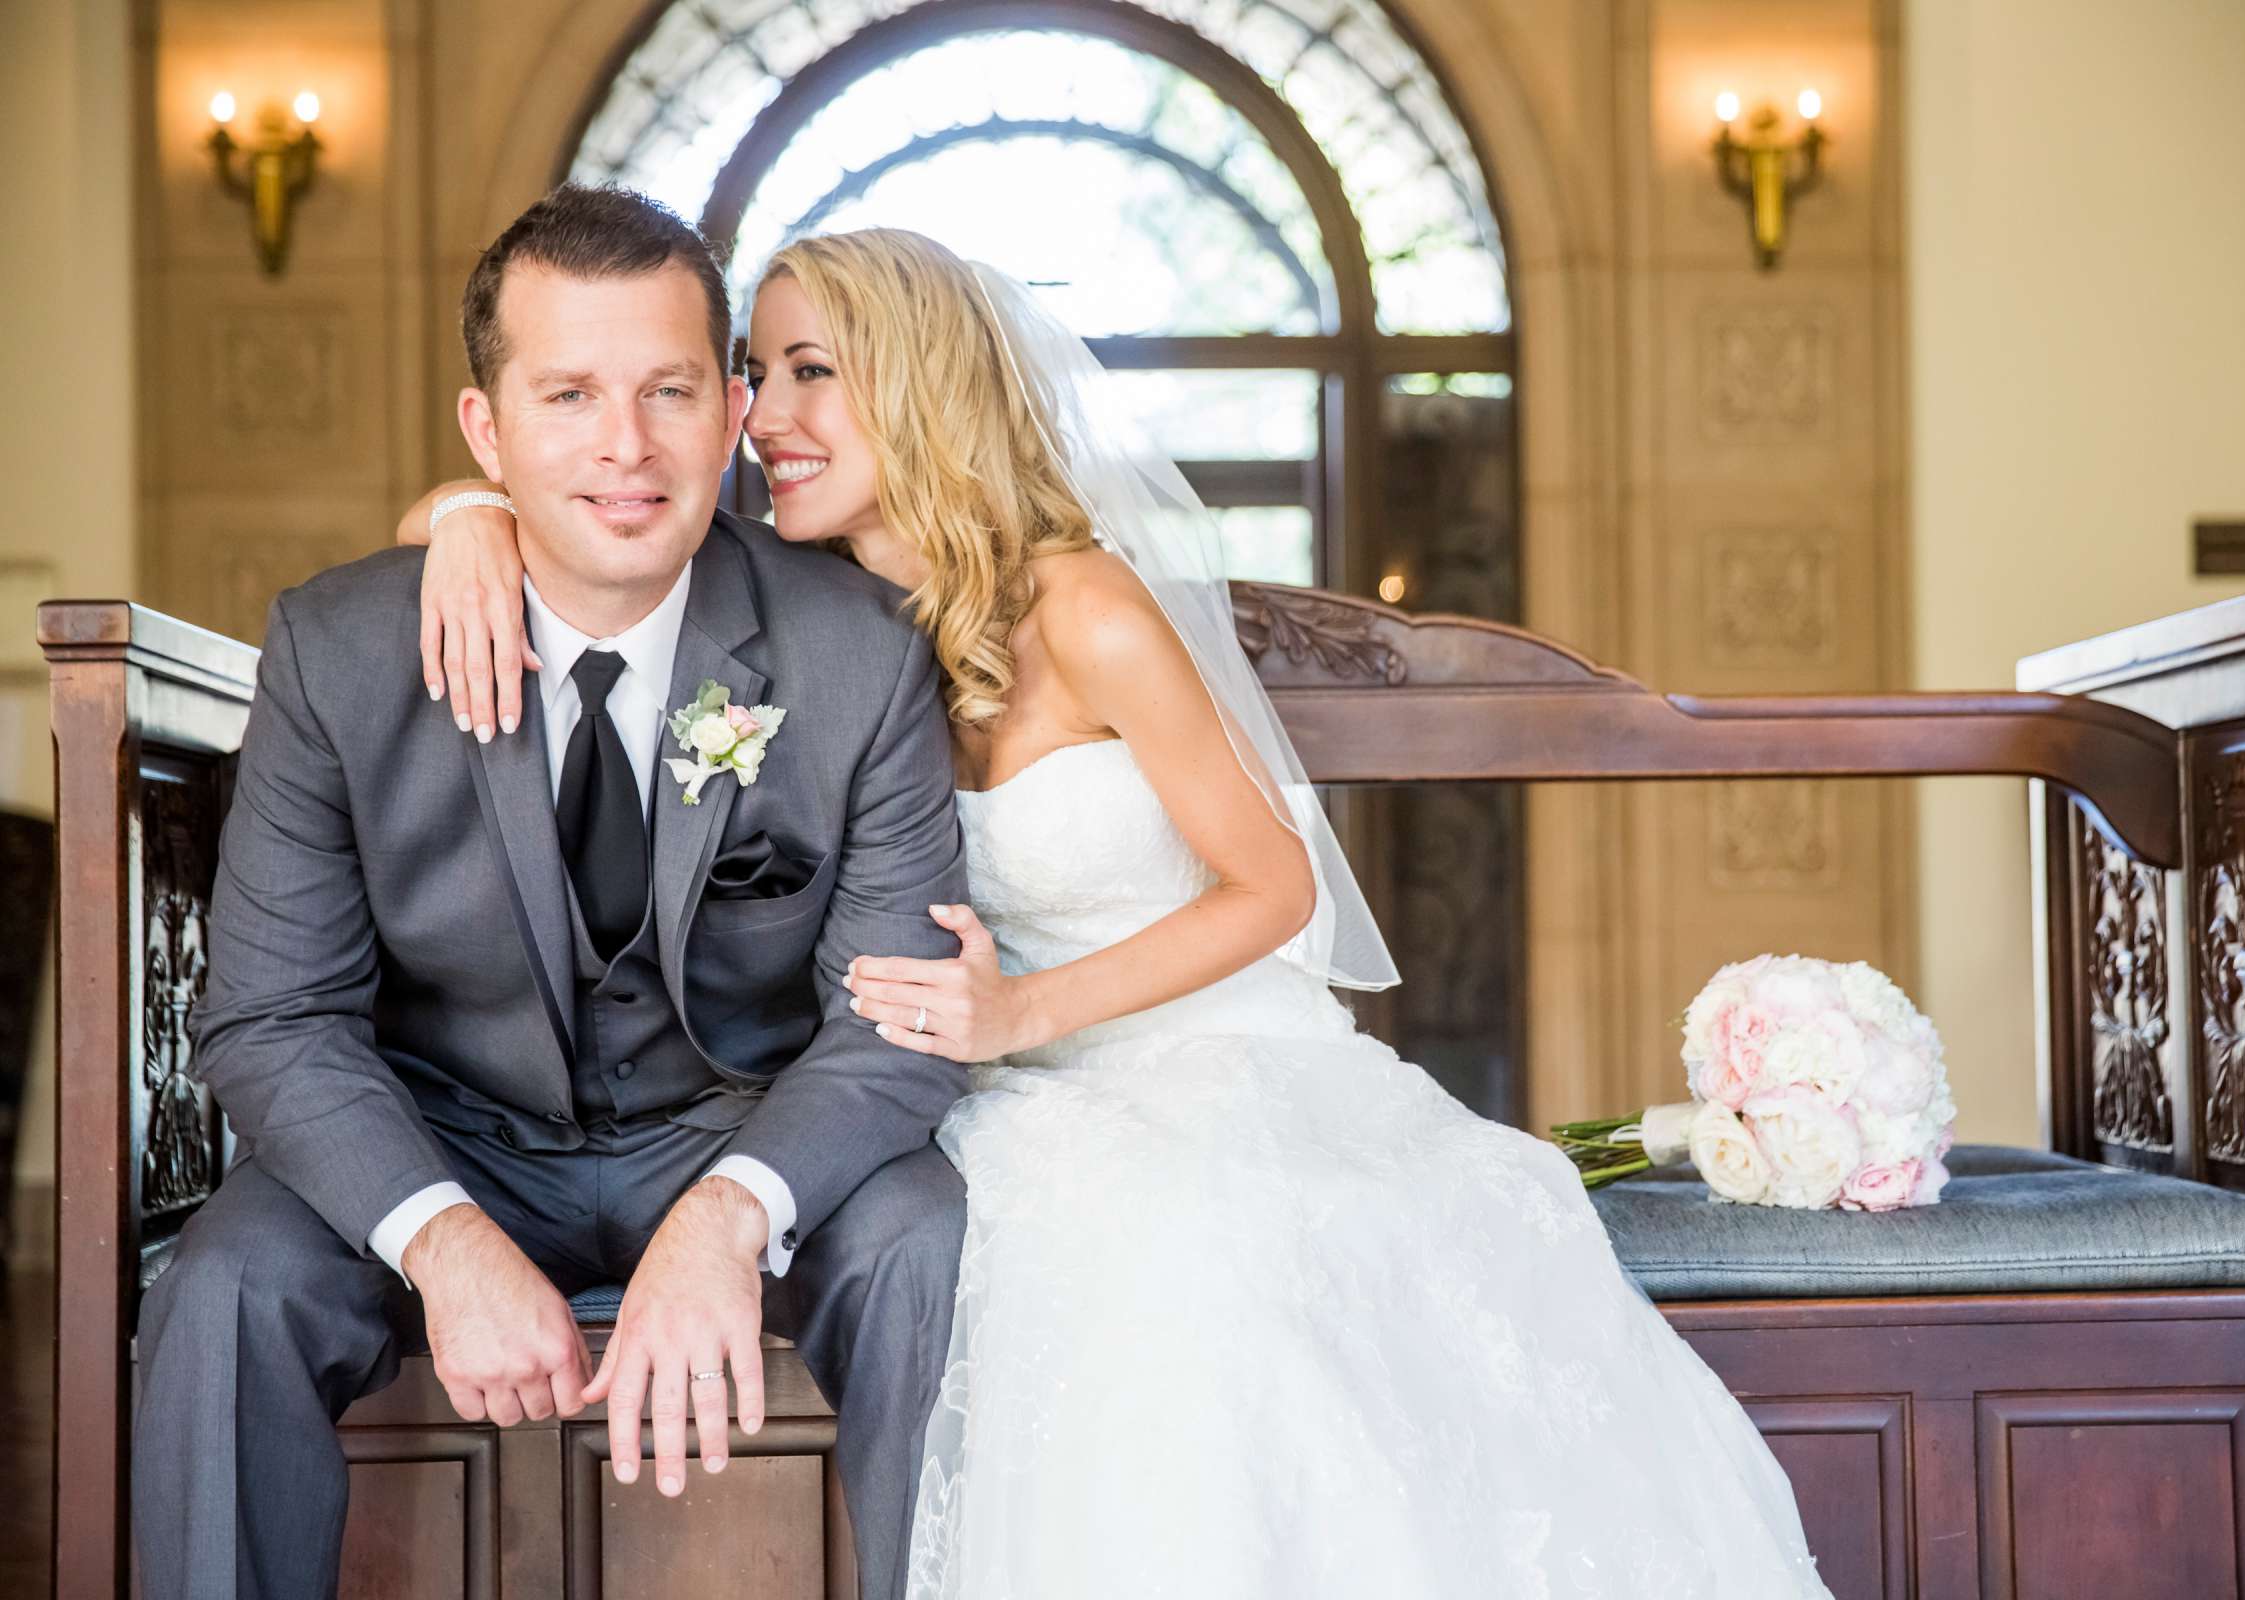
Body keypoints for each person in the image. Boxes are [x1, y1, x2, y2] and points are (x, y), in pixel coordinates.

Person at [405, 221, 1833, 1598]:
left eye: (806, 370)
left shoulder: (1080, 606)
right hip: (988, 1087)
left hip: (1193, 1053)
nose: (756, 414)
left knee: (1181, 1248)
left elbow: (1275, 887)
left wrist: (1023, 1011)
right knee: (999, 1230)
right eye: (756, 374)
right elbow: (528, 514)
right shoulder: (794, 603)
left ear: (922, 382)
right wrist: (470, 519)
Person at [135, 186, 970, 1600]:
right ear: (488, 431)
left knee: (928, 1239)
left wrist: (729, 1215)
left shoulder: (862, 654)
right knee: (230, 1285)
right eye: (569, 394)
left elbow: (893, 1017)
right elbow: (273, 1018)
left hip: (739, 1130)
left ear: (729, 413)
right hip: (439, 1131)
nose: (625, 448)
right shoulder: (338, 650)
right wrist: (444, 1241)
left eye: (667, 392)